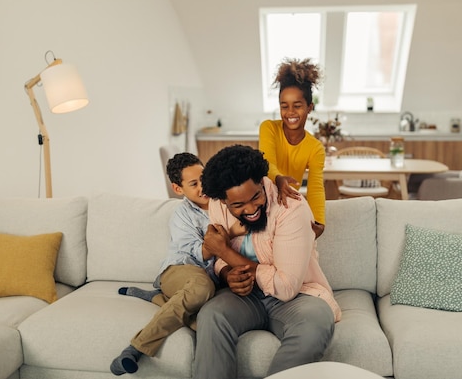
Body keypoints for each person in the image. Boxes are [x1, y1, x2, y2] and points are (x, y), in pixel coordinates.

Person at [194, 144, 340, 379]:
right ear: (223, 202)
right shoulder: (216, 205)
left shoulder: (291, 208)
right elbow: (218, 259)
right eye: (238, 205)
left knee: (316, 323)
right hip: (246, 296)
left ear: (263, 182)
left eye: (256, 197)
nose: (251, 209)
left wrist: (225, 253)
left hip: (297, 297)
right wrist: (225, 274)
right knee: (212, 315)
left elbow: (286, 287)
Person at [110, 152, 244, 376]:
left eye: (204, 178)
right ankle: (134, 349)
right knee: (201, 289)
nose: (202, 186)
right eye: (194, 183)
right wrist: (229, 233)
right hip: (179, 270)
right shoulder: (182, 215)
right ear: (178, 189)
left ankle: (157, 298)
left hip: (210, 280)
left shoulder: (224, 202)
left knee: (211, 321)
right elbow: (201, 253)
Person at [259, 58, 326, 239]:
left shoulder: (315, 148)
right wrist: (279, 179)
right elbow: (267, 162)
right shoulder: (268, 128)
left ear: (309, 107)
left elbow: (315, 187)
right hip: (259, 202)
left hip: (285, 205)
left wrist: (319, 221)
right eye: (284, 106)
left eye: (297, 106)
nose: (290, 112)